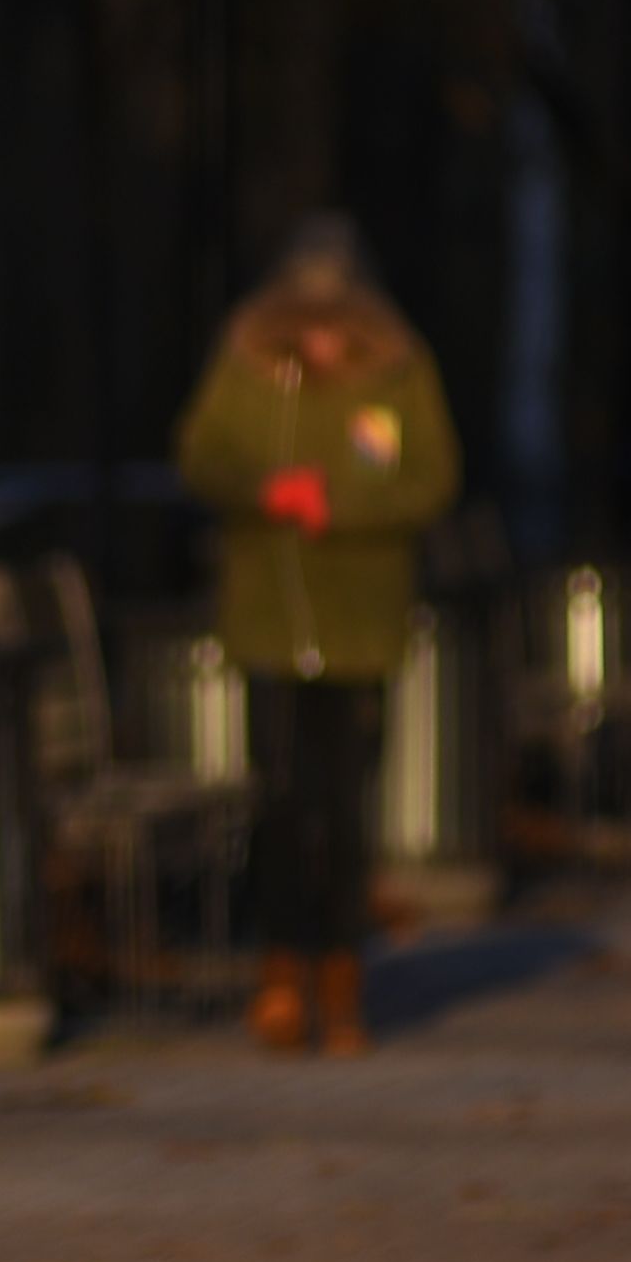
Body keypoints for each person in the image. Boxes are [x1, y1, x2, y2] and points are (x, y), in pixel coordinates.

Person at [170, 211, 467, 1058]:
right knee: (279, 800)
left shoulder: (401, 378)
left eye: (340, 320)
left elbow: (432, 478)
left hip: (362, 627)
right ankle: (279, 969)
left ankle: (341, 976)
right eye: (309, 319)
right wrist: (266, 490)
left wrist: (343, 510)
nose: (325, 339)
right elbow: (199, 455)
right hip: (267, 623)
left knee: (341, 809)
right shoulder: (251, 371)